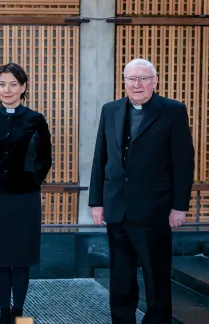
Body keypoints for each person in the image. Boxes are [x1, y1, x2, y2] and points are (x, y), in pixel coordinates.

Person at [89, 58, 195, 323]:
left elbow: (183, 163)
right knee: (121, 277)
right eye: (131, 79)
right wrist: (96, 202)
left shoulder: (172, 111)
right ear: (124, 81)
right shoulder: (110, 109)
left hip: (154, 210)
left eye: (143, 78)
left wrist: (179, 206)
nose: (137, 84)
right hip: (116, 208)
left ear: (154, 81)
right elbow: (100, 157)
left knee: (156, 276)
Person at [0, 63, 52, 324]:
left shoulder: (35, 119)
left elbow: (44, 160)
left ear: (24, 87)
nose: (7, 90)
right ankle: (4, 312)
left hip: (25, 199)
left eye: (13, 84)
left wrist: (28, 180)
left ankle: (19, 312)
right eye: (2, 84)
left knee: (21, 258)